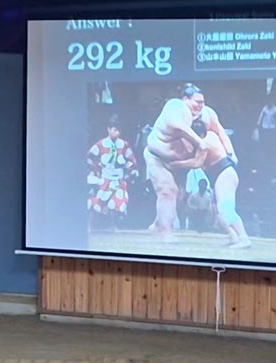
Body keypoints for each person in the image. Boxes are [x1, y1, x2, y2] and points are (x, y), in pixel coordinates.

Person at [144, 83, 247, 246]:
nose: (200, 105)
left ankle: (242, 238)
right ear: (185, 99)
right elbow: (177, 125)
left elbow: (215, 138)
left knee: (223, 209)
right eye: (196, 101)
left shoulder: (208, 126)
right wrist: (198, 143)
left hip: (219, 171)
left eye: (202, 102)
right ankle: (164, 230)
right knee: (168, 192)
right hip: (159, 157)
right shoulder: (175, 107)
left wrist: (231, 153)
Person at [87, 116, 138, 229]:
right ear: (109, 129)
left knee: (118, 202)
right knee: (99, 202)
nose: (117, 132)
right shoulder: (100, 144)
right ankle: (95, 225)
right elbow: (89, 157)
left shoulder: (124, 145)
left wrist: (130, 172)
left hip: (119, 179)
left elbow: (130, 160)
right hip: (104, 179)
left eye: (119, 130)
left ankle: (113, 225)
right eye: (115, 130)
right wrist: (96, 170)